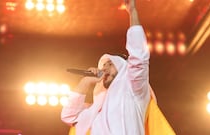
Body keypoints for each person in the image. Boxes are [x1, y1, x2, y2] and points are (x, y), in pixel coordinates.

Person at [61, 0, 151, 134]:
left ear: (123, 68)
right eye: (103, 65)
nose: (104, 68)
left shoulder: (134, 90)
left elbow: (139, 57)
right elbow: (69, 115)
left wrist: (132, 12)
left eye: (110, 64)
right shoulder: (95, 110)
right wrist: (86, 81)